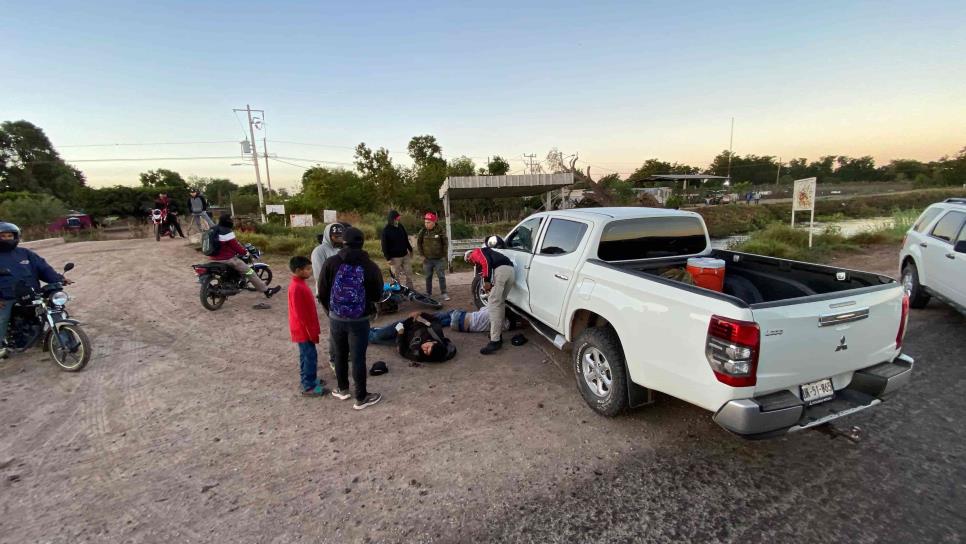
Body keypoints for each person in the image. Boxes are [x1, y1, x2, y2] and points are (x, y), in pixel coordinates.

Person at [318, 227, 384, 410]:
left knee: (339, 354)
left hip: (336, 317)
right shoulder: (370, 266)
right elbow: (378, 294)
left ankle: (342, 389)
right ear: (362, 242)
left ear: (343, 242)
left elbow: (322, 290)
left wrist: (331, 310)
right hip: (359, 319)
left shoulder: (331, 263)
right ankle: (361, 397)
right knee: (358, 358)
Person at [0, 222, 71, 358]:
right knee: (2, 318)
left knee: (51, 308)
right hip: (6, 297)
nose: (8, 238)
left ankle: (47, 335)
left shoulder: (25, 253)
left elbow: (44, 269)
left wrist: (59, 279)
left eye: (10, 235)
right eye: (3, 236)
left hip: (31, 293)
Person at [209, 215, 281, 299]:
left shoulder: (213, 229)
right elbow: (235, 246)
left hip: (213, 258)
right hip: (227, 259)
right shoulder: (227, 231)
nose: (232, 222)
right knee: (250, 272)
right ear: (228, 221)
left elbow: (221, 244)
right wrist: (245, 252)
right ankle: (267, 291)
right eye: (231, 220)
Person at [287, 256, 327, 397]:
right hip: (304, 330)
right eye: (308, 269)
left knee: (307, 356)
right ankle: (309, 387)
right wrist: (311, 332)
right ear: (298, 270)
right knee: (310, 356)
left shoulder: (299, 284)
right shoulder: (297, 287)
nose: (310, 271)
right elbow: (301, 315)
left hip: (304, 329)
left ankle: (309, 379)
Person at [311, 222, 347, 371]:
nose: (338, 238)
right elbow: (320, 277)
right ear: (328, 235)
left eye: (341, 235)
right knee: (336, 327)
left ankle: (344, 352)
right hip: (328, 295)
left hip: (346, 294)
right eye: (335, 235)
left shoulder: (345, 250)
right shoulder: (320, 251)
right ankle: (334, 358)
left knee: (346, 325)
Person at [465, 247, 514, 355]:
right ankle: (497, 334)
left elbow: (485, 262)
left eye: (469, 261)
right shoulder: (490, 253)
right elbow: (488, 265)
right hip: (510, 271)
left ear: (469, 256)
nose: (472, 263)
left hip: (501, 271)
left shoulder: (476, 252)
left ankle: (495, 340)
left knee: (493, 305)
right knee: (499, 303)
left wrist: (487, 281)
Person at [369, 311, 457, 363]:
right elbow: (434, 320)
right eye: (428, 348)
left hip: (401, 337)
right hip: (406, 325)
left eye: (426, 352)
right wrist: (420, 313)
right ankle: (371, 331)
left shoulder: (420, 355)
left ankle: (364, 332)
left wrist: (400, 334)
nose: (424, 349)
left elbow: (403, 351)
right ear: (434, 342)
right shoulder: (436, 333)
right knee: (378, 335)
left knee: (375, 338)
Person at [416, 212, 449, 301]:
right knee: (428, 277)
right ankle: (428, 293)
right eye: (425, 222)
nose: (426, 224)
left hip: (439, 259)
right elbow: (419, 243)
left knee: (441, 276)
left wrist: (444, 255)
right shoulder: (422, 231)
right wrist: (422, 255)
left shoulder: (440, 230)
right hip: (427, 259)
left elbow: (445, 243)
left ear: (434, 222)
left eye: (428, 222)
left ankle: (444, 293)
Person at [380, 209, 414, 290]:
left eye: (398, 218)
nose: (398, 220)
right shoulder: (386, 230)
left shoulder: (400, 226)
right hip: (394, 258)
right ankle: (397, 292)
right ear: (392, 219)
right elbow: (384, 245)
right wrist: (387, 258)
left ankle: (410, 290)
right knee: (395, 276)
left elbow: (405, 239)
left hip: (405, 255)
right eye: (396, 219)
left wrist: (410, 249)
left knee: (409, 273)